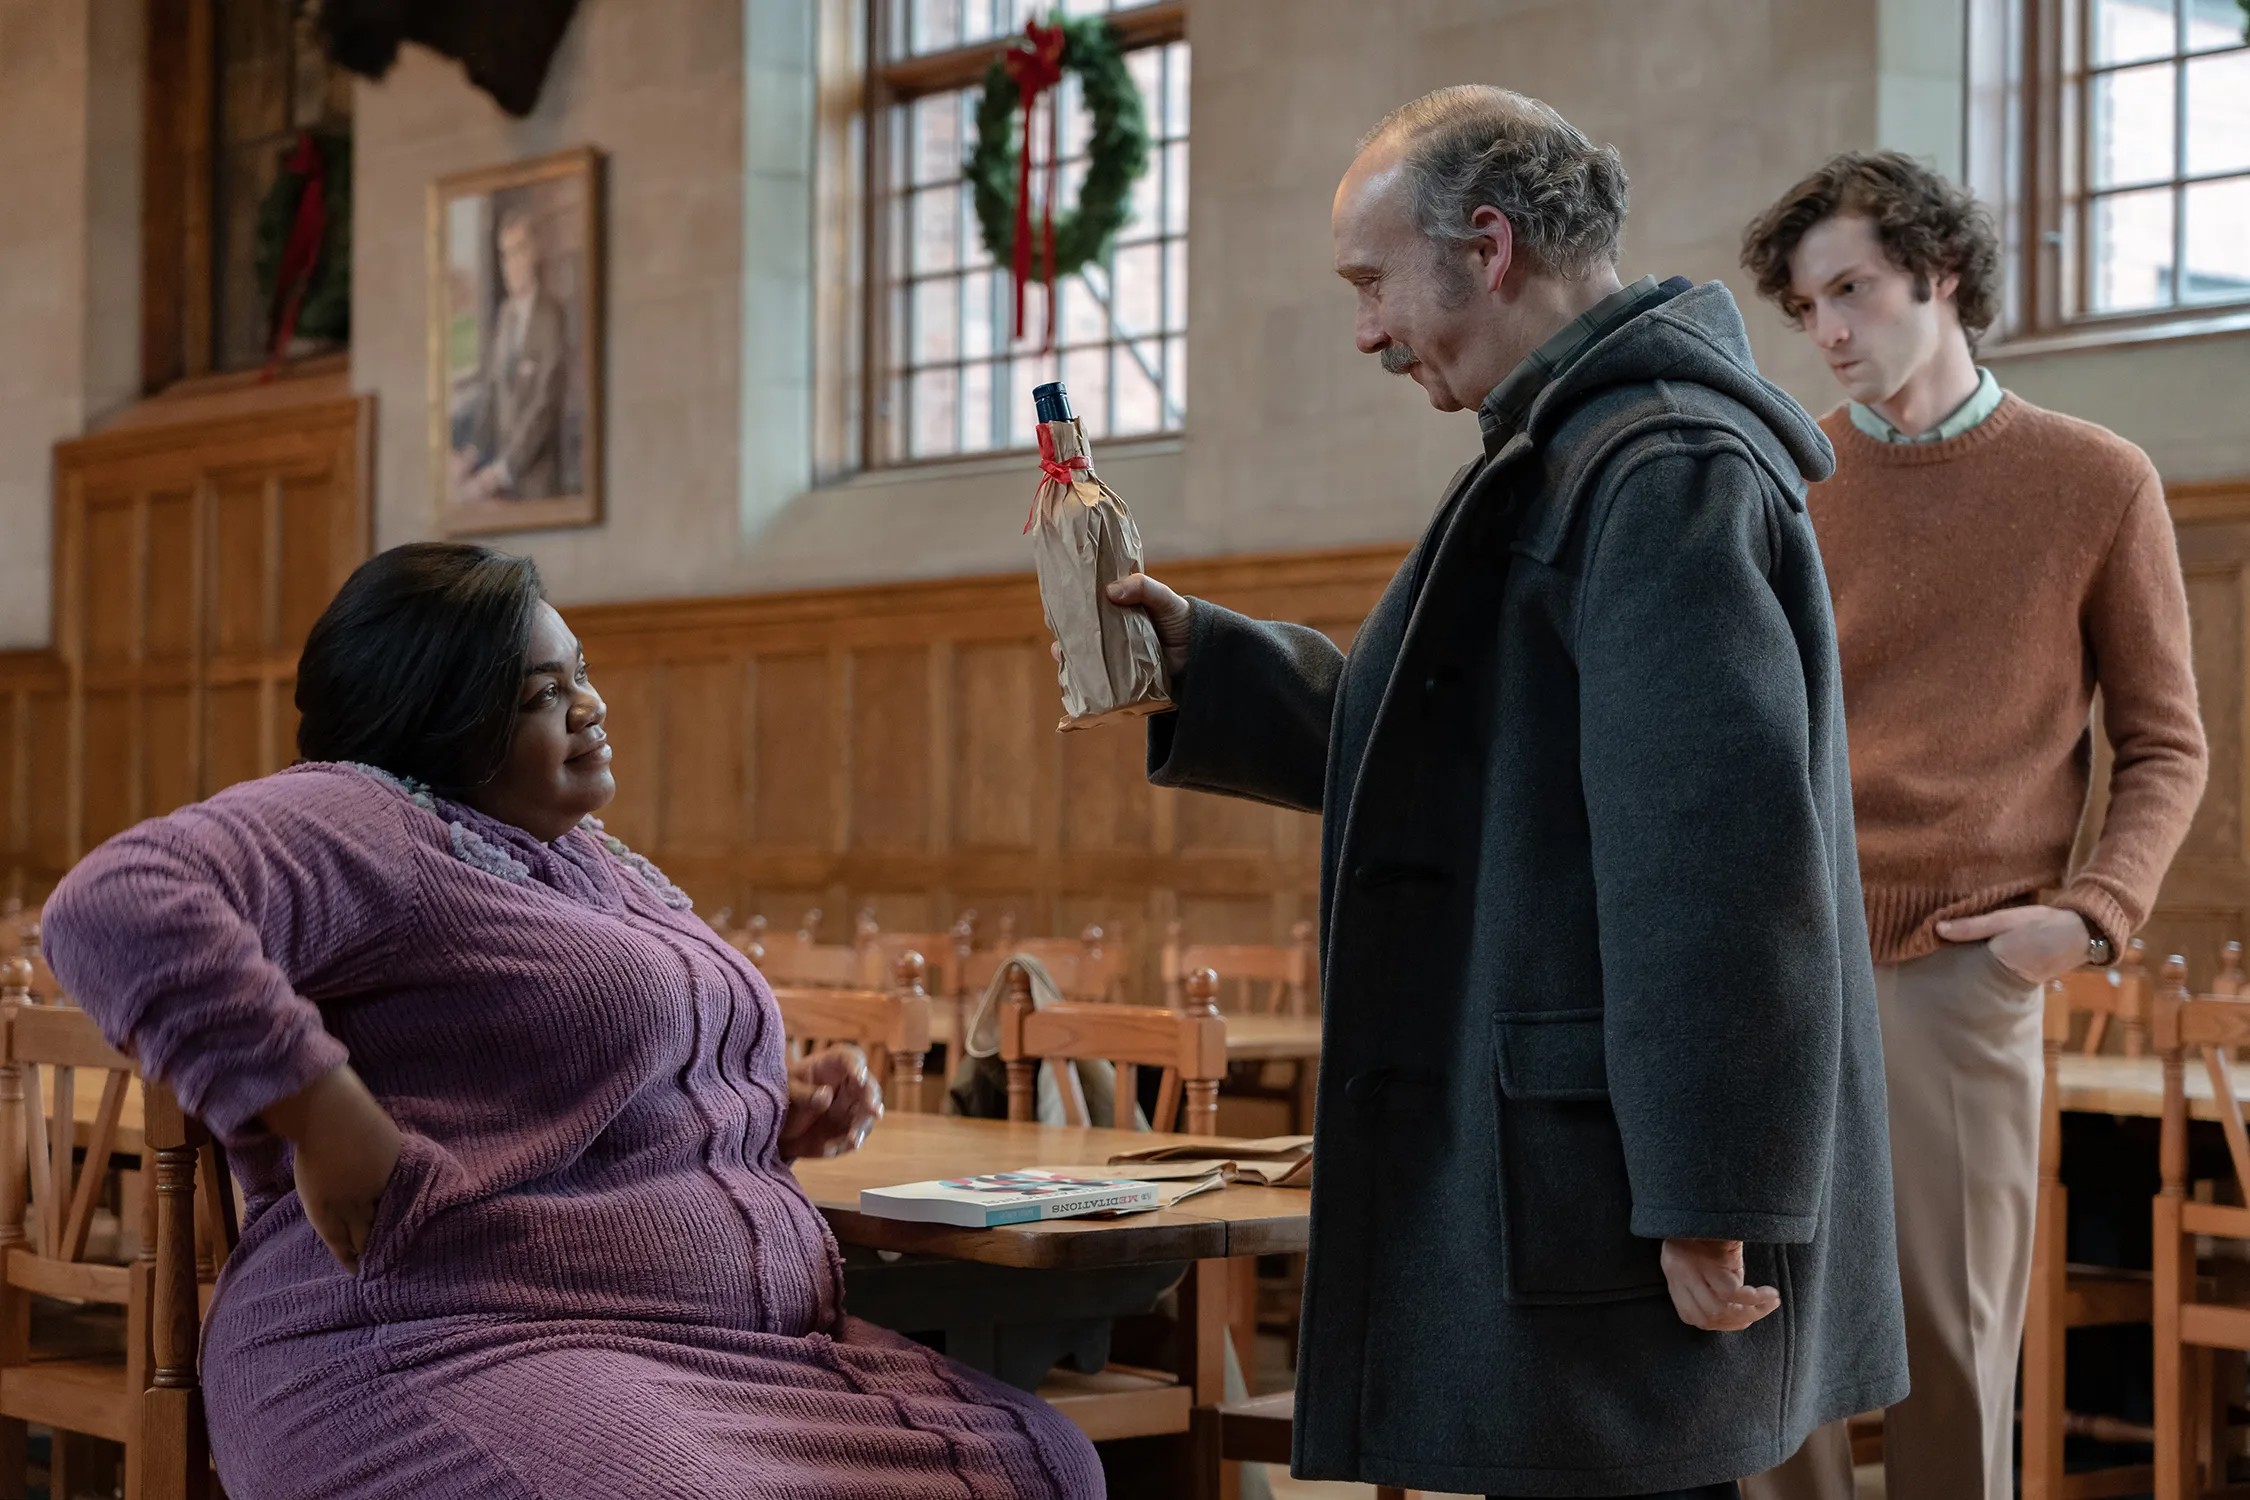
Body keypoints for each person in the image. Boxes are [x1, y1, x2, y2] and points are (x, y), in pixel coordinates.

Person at [1105, 85, 1907, 1500]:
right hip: (1579, 1149)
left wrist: (1714, 1191)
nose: (1363, 330)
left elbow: (1716, 868)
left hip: (1618, 1170)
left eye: (1370, 282)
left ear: (1484, 246)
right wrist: (1207, 663)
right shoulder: (1572, 450)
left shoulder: (1655, 466)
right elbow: (1455, 736)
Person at [39, 543, 1102, 1500]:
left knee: (1043, 1460)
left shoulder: (592, 860)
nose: (590, 706)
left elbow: (544, 1085)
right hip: (444, 1345)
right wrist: (319, 1114)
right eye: (543, 693)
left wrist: (752, 1108)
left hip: (725, 1357)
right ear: (440, 717)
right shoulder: (365, 817)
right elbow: (117, 901)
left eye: (581, 674)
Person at [1736, 151, 2208, 1500]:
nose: (1826, 331)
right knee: (1772, 1347)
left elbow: (2166, 744)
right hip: (1783, 953)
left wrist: (2087, 916)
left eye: (1851, 291)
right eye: (1804, 306)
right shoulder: (1779, 478)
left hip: (1966, 965)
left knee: (1950, 1347)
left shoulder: (2093, 481)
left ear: (1936, 277)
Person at [453, 210, 568, 502]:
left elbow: (544, 406)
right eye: (505, 255)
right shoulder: (505, 317)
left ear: (534, 255)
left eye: (518, 252)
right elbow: (493, 394)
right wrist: (471, 453)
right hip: (504, 487)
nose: (511, 265)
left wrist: (499, 471)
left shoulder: (551, 317)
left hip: (537, 484)